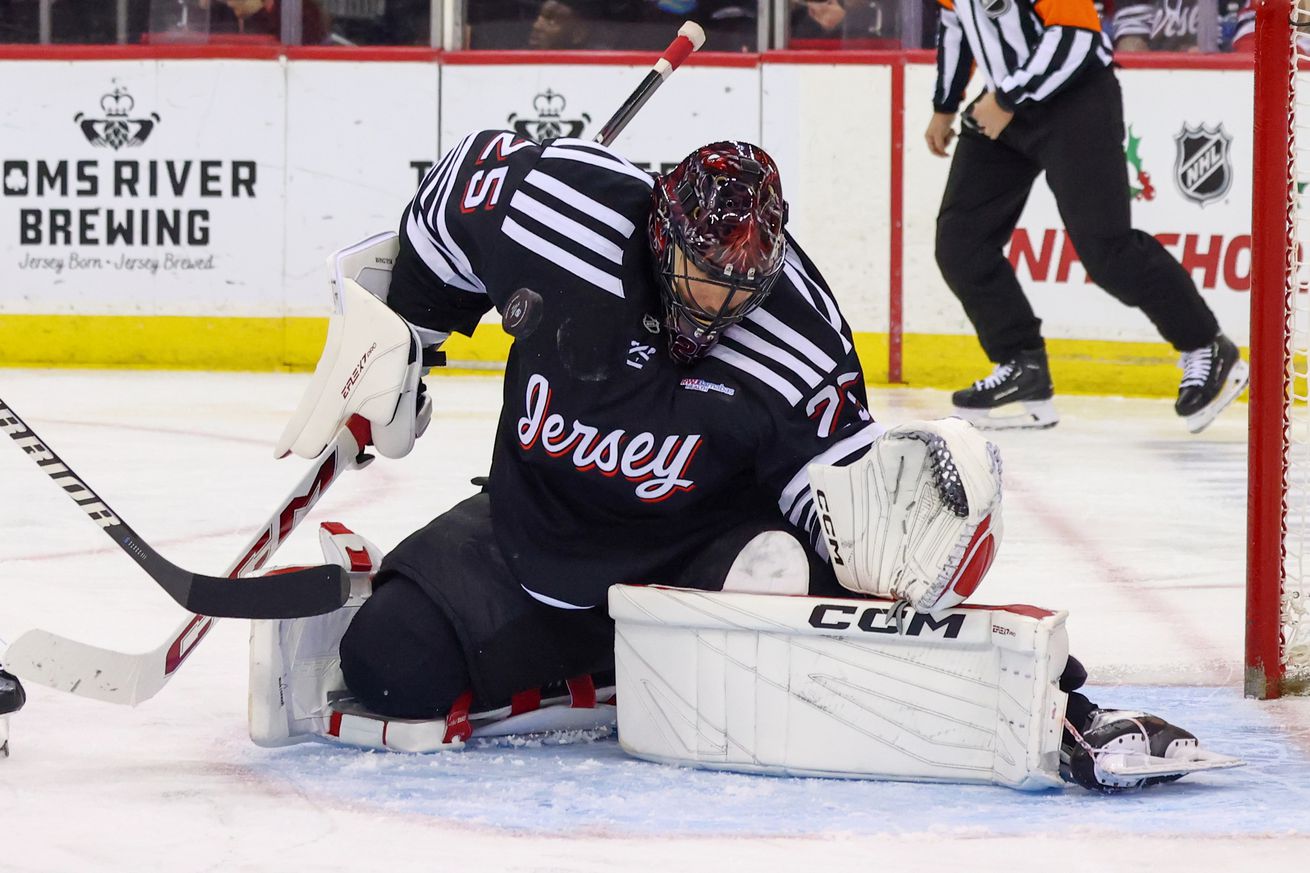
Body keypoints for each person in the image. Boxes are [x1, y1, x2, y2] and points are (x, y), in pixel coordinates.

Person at [263, 130, 1230, 792]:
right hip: (530, 532)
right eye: (701, 276)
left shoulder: (799, 342)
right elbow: (442, 211)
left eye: (742, 289)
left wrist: (1057, 704)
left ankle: (644, 650)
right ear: (661, 232)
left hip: (689, 564)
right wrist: (410, 338)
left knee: (781, 568)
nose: (718, 306)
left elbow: (871, 540)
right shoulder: (551, 207)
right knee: (385, 667)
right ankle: (617, 666)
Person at [926, 0, 1249, 432]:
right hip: (1006, 104)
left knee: (1107, 250)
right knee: (960, 243)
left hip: (1075, 100)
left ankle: (1207, 347)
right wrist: (945, 105)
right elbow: (957, 25)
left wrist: (1006, 98)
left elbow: (1078, 37)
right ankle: (1023, 366)